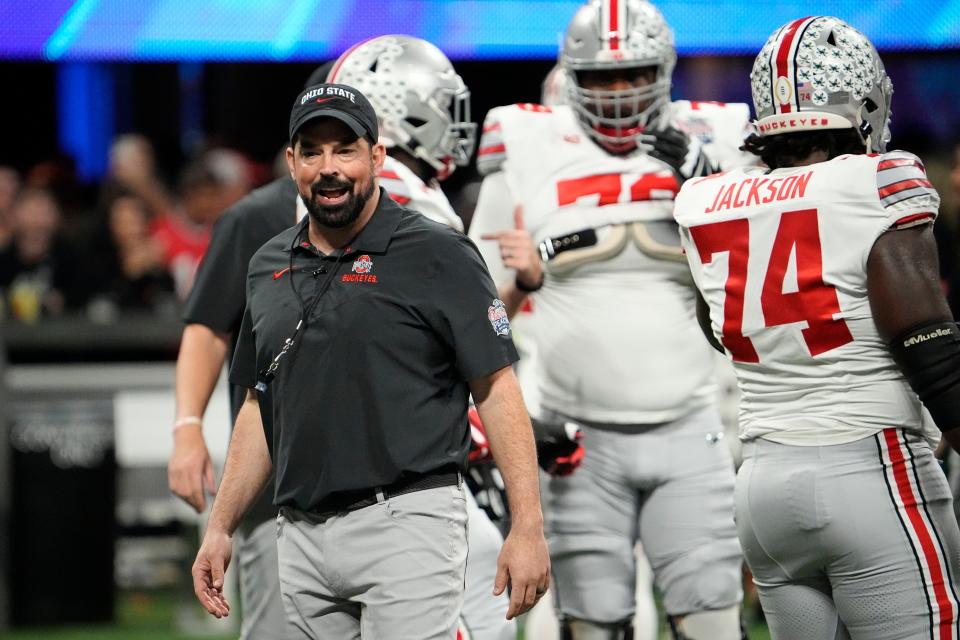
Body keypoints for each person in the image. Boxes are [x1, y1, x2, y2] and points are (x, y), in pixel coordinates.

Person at [191, 82, 550, 639]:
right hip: (300, 532)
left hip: (408, 519)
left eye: (345, 149)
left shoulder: (438, 254)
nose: (328, 167)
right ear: (291, 162)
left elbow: (497, 389)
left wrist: (528, 526)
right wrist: (220, 527)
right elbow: (261, 405)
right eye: (312, 151)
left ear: (377, 156)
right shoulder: (267, 264)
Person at [470, 1, 753, 638]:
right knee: (591, 625)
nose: (620, 92)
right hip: (579, 440)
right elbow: (473, 309)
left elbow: (753, 274)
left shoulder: (717, 135)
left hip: (689, 423)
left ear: (666, 69)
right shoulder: (529, 140)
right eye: (601, 76)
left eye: (634, 74)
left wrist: (706, 183)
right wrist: (522, 285)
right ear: (571, 76)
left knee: (711, 620)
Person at [673, 16, 960, 639]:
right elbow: (924, 336)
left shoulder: (705, 200)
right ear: (863, 102)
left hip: (763, 486)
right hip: (870, 468)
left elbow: (718, 324)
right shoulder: (876, 180)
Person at [326, 34, 516, 640]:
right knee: (472, 596)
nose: (454, 122)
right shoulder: (395, 201)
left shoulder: (393, 194)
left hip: (377, 450)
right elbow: (429, 346)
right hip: (397, 466)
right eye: (440, 104)